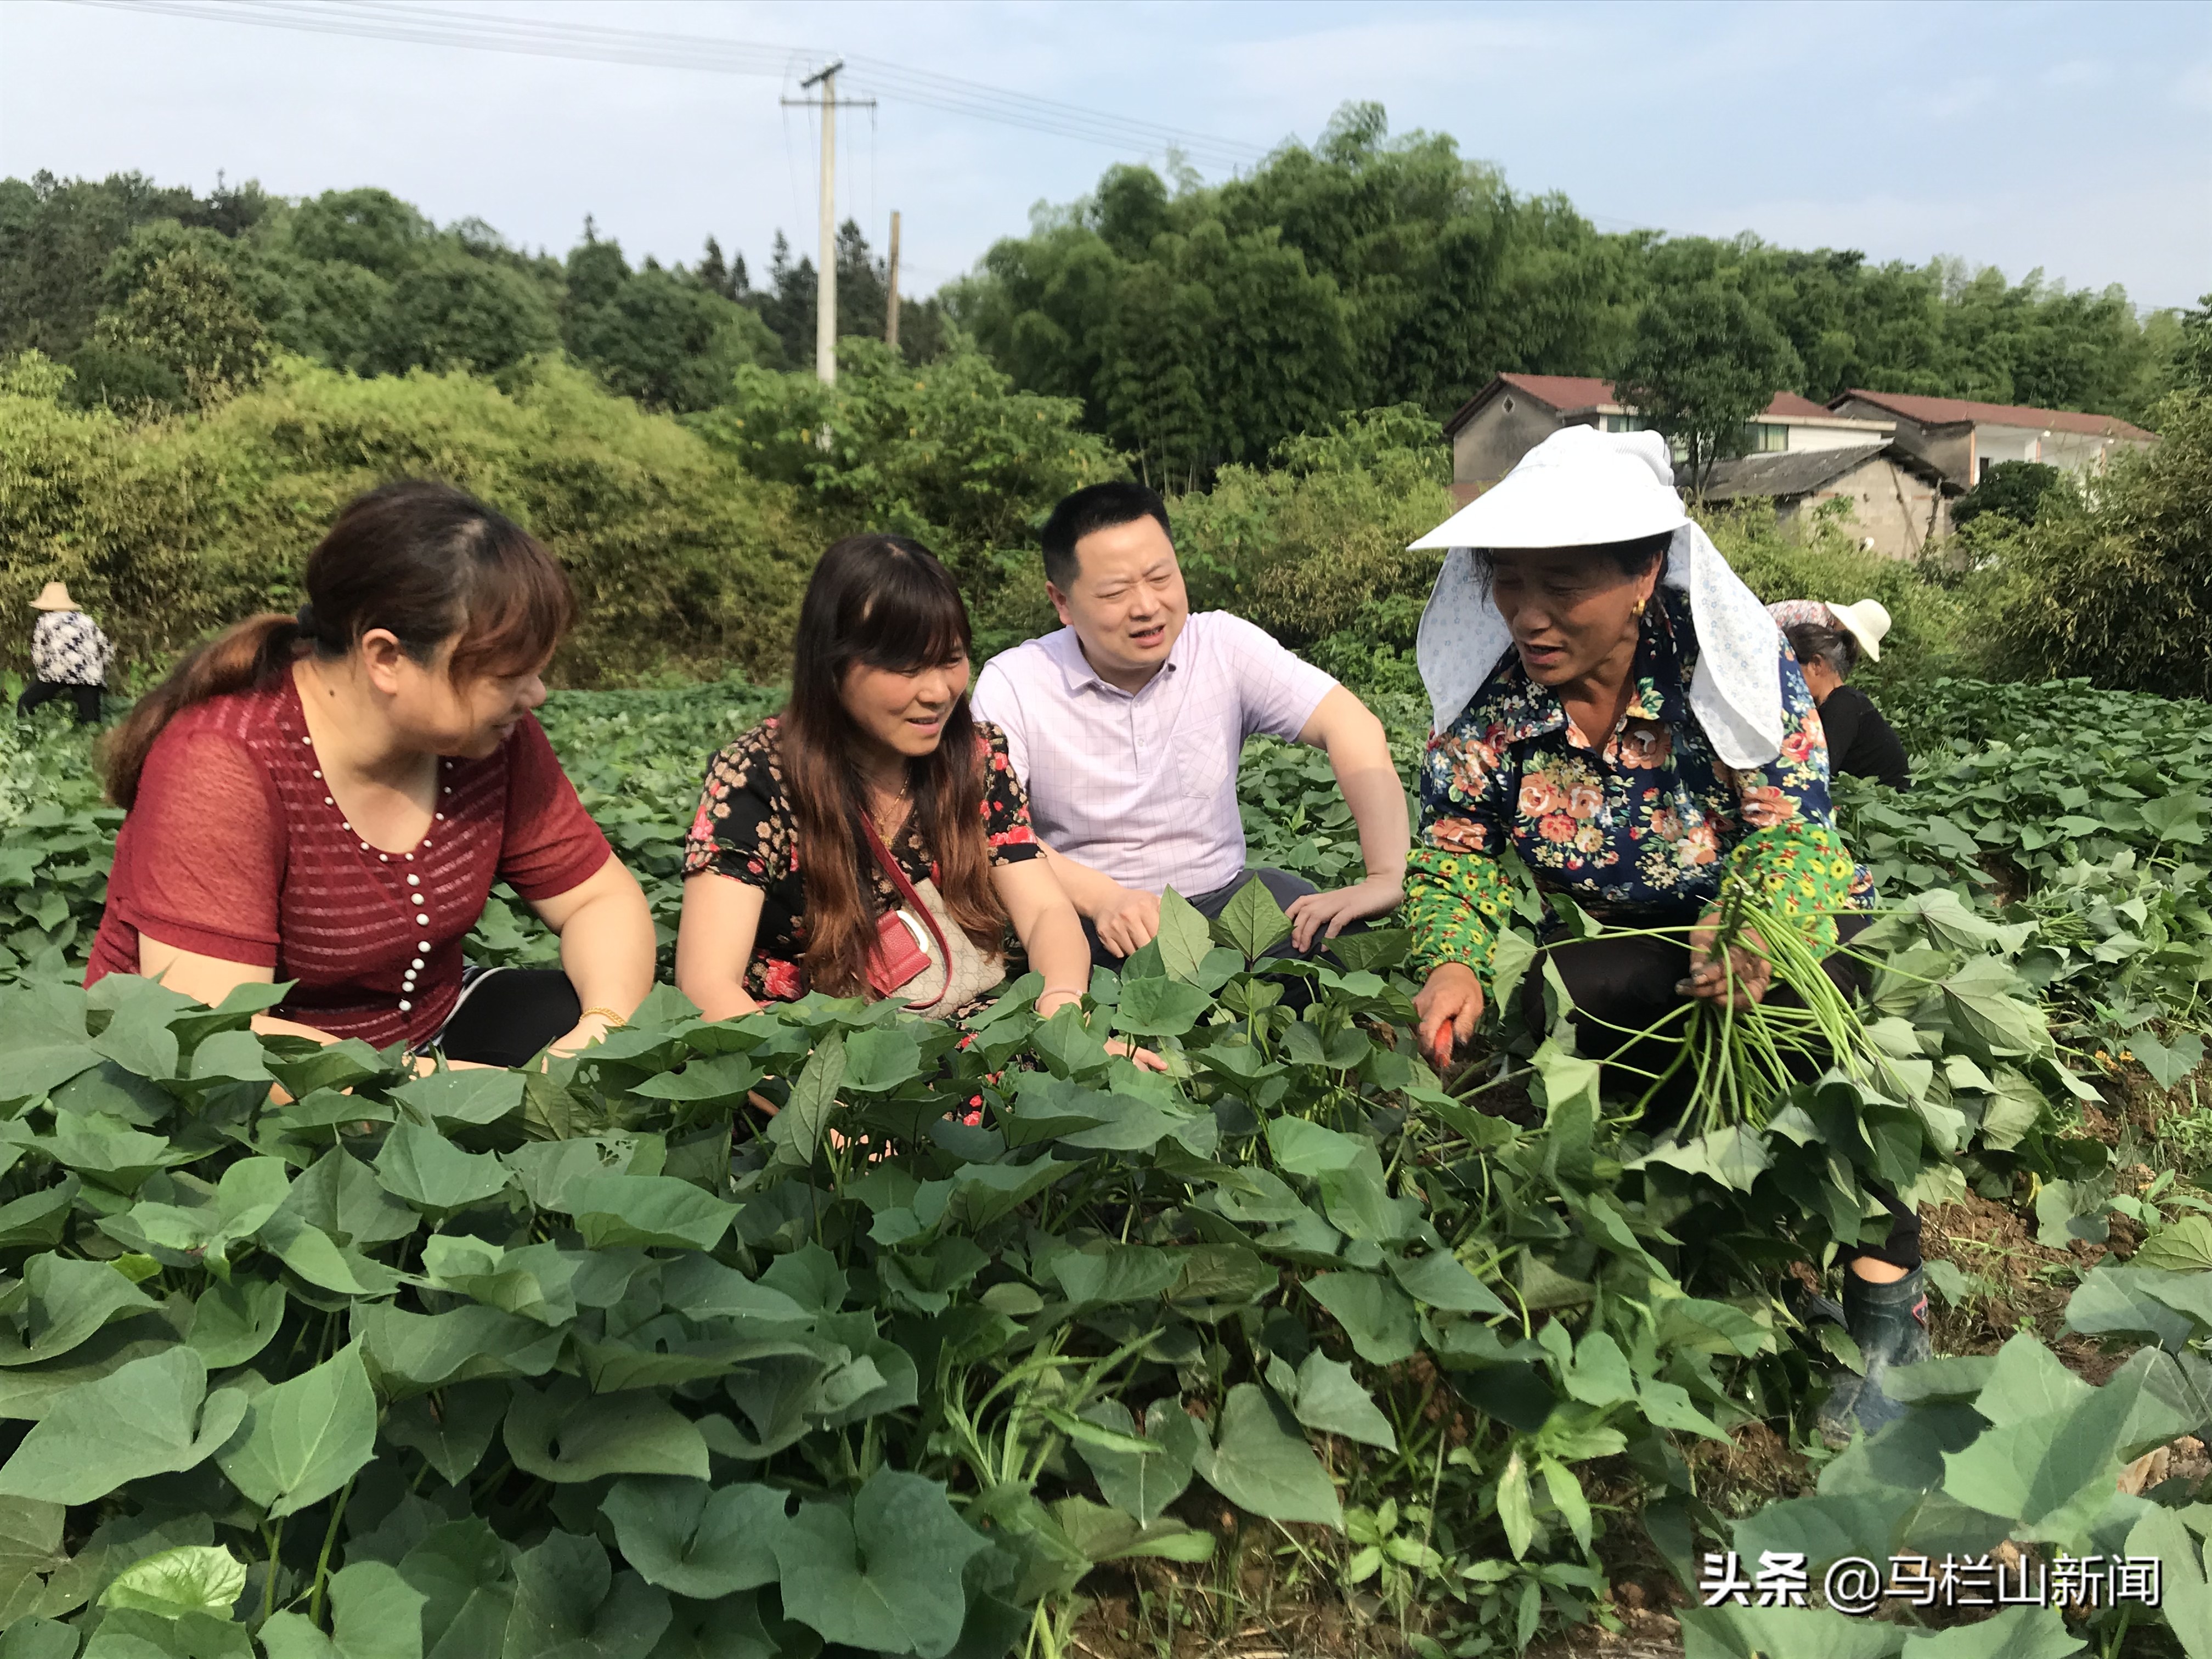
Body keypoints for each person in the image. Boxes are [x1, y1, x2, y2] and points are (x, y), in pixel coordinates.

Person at [1401, 427, 1926, 1442]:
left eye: (1561, 586)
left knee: (1813, 1034)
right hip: (1629, 935)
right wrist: (1453, 956)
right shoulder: (1497, 704)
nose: (1529, 614)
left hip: (1776, 909)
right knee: (1559, 992)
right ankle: (1680, 1242)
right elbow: (1457, 845)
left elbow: (1793, 831)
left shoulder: (1722, 667)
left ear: (1644, 570)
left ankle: (1884, 1310)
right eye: (1509, 585)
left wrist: (1748, 927)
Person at [87, 481, 655, 1068]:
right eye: (510, 674)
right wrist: (468, 1092)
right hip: (253, 1074)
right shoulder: (222, 762)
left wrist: (600, 1034)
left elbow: (600, 900)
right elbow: (213, 1038)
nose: (535, 695)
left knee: (597, 1023)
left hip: (426, 1034)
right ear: (387, 658)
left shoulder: (488, 740)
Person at [969, 481, 1409, 970]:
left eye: (1160, 578)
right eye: (1116, 592)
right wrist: (1103, 899)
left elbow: (1352, 725)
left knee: (1337, 939)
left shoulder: (1222, 646)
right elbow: (987, 827)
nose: (1146, 606)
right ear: (1063, 602)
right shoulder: (1016, 682)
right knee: (1087, 1000)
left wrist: (1384, 875)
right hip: (1094, 926)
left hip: (1224, 901)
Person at [676, 534, 1103, 1034]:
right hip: (809, 1048)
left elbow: (1045, 910)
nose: (938, 692)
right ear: (832, 666)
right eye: (906, 667)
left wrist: (1061, 1007)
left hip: (969, 1036)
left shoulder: (974, 756)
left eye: (950, 660)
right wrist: (819, 1098)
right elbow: (706, 985)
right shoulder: (757, 777)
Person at [1768, 600, 1911, 790]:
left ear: (1817, 665)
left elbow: (1816, 772)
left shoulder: (1842, 707)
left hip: (1887, 805)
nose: (1787, 680)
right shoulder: (1837, 703)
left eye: (1793, 670)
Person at [18, 581, 111, 725]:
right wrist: (99, 668)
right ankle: (92, 743)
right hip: (89, 673)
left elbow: (38, 654)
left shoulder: (45, 621)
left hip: (57, 671)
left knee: (26, 703)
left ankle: (26, 732)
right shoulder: (87, 620)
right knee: (91, 720)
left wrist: (42, 676)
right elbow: (106, 647)